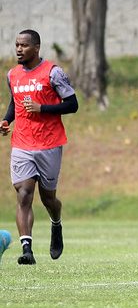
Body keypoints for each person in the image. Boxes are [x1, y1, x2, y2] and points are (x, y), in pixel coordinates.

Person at [1, 29, 79, 265]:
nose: (18, 49)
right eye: (16, 45)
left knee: (48, 198)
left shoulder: (53, 73)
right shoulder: (12, 75)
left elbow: (72, 104)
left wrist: (42, 108)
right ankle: (27, 249)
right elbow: (15, 102)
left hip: (49, 144)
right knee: (24, 193)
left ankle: (56, 222)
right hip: (22, 143)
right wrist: (6, 120)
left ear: (36, 48)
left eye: (24, 45)